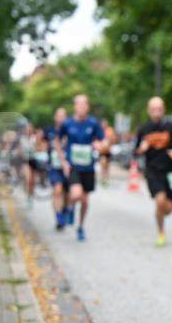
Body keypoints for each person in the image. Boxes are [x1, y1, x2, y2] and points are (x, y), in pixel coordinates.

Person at [135, 97, 172, 246]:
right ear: (148, 110)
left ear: (163, 110)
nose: (156, 112)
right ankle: (161, 232)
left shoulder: (171, 127)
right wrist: (141, 149)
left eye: (159, 108)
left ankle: (160, 213)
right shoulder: (144, 129)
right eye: (153, 109)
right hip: (153, 171)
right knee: (160, 200)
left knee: (169, 208)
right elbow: (135, 152)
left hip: (171, 172)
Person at [59, 95, 105, 241]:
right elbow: (57, 141)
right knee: (76, 194)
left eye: (84, 104)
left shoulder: (93, 123)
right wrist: (63, 162)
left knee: (85, 201)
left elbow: (103, 140)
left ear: (88, 107)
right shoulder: (67, 123)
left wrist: (100, 145)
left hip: (88, 167)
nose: (82, 107)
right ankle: (70, 207)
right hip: (73, 166)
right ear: (75, 107)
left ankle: (80, 226)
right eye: (79, 104)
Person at [44, 108, 71, 230]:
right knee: (57, 190)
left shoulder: (70, 130)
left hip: (69, 166)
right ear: (55, 117)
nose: (61, 118)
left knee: (68, 193)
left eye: (63, 116)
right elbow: (42, 143)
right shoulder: (49, 130)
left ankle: (66, 210)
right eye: (59, 116)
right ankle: (58, 216)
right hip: (54, 166)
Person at [98, 118, 117, 187]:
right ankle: (103, 178)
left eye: (105, 123)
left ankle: (106, 178)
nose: (104, 125)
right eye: (103, 123)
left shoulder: (110, 130)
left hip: (108, 151)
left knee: (107, 165)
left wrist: (110, 140)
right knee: (103, 163)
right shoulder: (99, 131)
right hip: (101, 151)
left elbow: (114, 139)